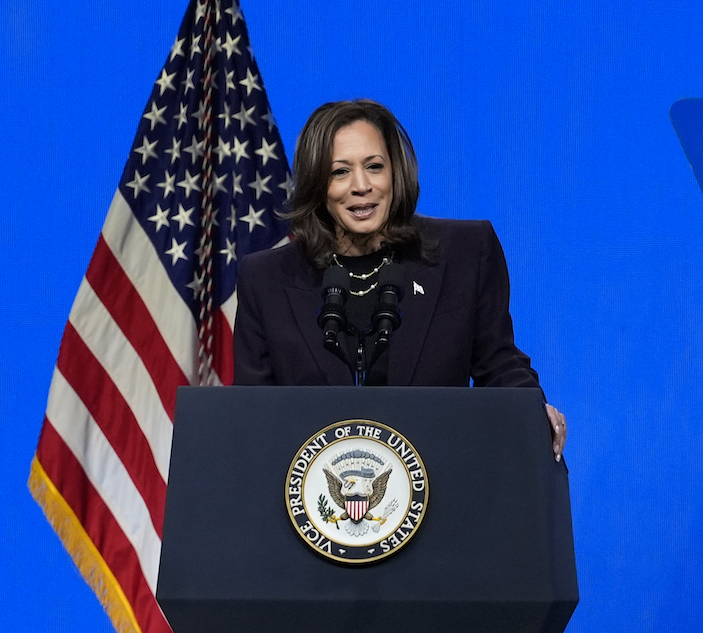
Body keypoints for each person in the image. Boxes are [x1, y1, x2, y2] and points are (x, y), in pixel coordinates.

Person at [233, 99, 566, 461]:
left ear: (395, 173)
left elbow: (498, 361)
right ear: (317, 184)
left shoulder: (464, 254)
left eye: (374, 167)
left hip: (439, 478)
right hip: (312, 496)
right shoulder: (266, 279)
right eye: (340, 172)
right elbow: (254, 411)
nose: (361, 186)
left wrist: (532, 408)